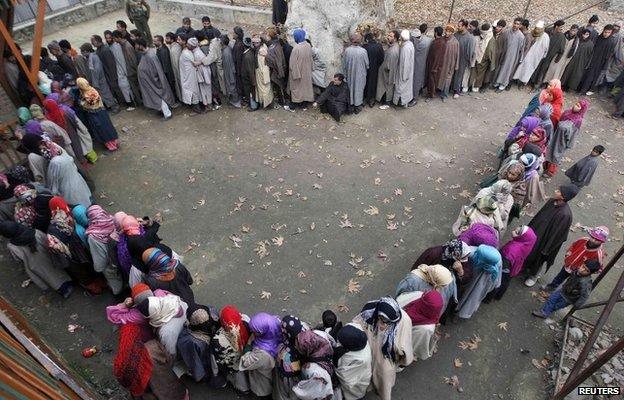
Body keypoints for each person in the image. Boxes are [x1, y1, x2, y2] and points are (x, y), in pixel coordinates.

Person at [352, 297, 412, 400]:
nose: (382, 324)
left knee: (383, 381)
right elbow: (356, 324)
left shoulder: (404, 321)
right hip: (368, 351)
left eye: (386, 322)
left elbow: (405, 348)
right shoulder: (370, 310)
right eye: (380, 318)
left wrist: (401, 362)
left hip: (385, 360)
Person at [523, 184, 579, 287]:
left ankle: (533, 275)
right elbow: (539, 216)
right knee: (529, 252)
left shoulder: (565, 215)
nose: (555, 191)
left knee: (539, 258)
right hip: (536, 232)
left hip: (545, 241)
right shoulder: (551, 201)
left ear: (563, 196)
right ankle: (524, 267)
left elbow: (557, 235)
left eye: (558, 191)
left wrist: (546, 249)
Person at [0, 221, 73, 298]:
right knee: (60, 270)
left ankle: (64, 290)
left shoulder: (12, 246)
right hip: (48, 257)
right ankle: (70, 281)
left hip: (35, 266)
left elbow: (18, 259)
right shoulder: (35, 232)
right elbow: (47, 241)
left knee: (51, 278)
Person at [21, 135, 91, 207]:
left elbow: (53, 184)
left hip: (68, 190)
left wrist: (51, 193)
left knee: (78, 207)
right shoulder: (53, 146)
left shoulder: (55, 163)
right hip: (76, 179)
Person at [543, 226, 608, 291]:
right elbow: (573, 245)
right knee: (559, 277)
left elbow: (599, 269)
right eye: (592, 237)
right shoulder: (582, 240)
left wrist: (585, 271)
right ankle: (551, 286)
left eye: (597, 240)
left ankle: (560, 294)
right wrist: (568, 253)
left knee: (569, 284)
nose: (593, 240)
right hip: (568, 265)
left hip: (578, 273)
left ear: (602, 241)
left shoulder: (599, 254)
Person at [532, 259, 601, 318]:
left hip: (568, 299)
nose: (582, 269)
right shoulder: (576, 271)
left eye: (586, 270)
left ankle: (548, 310)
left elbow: (585, 295)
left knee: (557, 306)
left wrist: (577, 305)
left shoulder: (585, 283)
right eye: (583, 266)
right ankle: (544, 313)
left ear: (590, 273)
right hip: (563, 290)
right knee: (552, 299)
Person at [133, 284, 189, 356]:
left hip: (182, 345)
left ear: (152, 315)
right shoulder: (172, 299)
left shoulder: (166, 331)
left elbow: (171, 352)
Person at [487, 226, 537, 300]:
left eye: (516, 233)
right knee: (505, 282)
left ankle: (488, 297)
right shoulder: (526, 245)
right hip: (514, 267)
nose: (513, 231)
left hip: (504, 267)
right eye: (514, 230)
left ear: (522, 237)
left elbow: (504, 262)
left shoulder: (511, 250)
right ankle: (498, 296)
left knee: (497, 282)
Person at [543, 99, 589, 177]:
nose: (575, 106)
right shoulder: (567, 112)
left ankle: (550, 172)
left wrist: (568, 144)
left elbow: (574, 134)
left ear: (582, 109)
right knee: (549, 149)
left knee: (556, 154)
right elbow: (559, 121)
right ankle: (545, 166)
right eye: (576, 104)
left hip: (562, 140)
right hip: (556, 134)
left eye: (578, 106)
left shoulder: (578, 120)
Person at [239, 312, 280, 398]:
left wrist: (249, 344)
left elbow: (245, 362)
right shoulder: (275, 325)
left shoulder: (261, 354)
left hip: (262, 381)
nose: (252, 332)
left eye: (255, 331)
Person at [212, 305, 251, 394]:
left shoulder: (218, 340)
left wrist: (215, 373)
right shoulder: (245, 322)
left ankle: (243, 389)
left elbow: (216, 358)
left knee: (240, 379)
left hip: (235, 365)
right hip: (248, 355)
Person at [456, 245, 502, 319]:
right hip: (482, 287)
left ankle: (456, 310)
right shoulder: (497, 263)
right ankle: (463, 313)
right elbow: (496, 281)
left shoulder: (474, 259)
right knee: (473, 299)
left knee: (463, 296)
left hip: (468, 283)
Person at [135, 38, 175, 120]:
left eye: (136, 45)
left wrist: (154, 80)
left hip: (153, 82)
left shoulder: (151, 56)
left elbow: (158, 70)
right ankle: (162, 110)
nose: (135, 46)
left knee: (159, 97)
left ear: (140, 45)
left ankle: (167, 114)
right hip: (149, 81)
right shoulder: (144, 54)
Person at [75, 78, 120, 151]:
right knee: (107, 127)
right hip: (101, 113)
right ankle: (114, 142)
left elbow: (89, 103)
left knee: (102, 130)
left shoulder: (88, 94)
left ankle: (112, 146)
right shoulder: (91, 89)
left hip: (96, 115)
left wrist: (81, 103)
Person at [396, 290, 442, 361]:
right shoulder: (427, 328)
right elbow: (415, 344)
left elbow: (400, 299)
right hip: (400, 343)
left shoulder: (421, 295)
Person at [334, 323, 372, 400]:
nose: (338, 342)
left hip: (357, 379)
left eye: (340, 342)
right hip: (359, 371)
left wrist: (335, 368)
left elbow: (345, 377)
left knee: (355, 394)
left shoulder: (361, 359)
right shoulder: (358, 336)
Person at [273, 314, 307, 400]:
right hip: (302, 373)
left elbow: (289, 368)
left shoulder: (284, 351)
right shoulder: (305, 340)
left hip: (290, 378)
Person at [79, 43, 118, 113]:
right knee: (102, 95)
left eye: (82, 52)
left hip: (99, 80)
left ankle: (114, 106)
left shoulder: (94, 57)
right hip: (96, 81)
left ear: (86, 51)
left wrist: (95, 82)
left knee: (106, 94)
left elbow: (97, 70)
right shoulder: (89, 58)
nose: (82, 54)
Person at [579, 25, 617, 95]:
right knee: (587, 74)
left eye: (608, 32)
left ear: (611, 33)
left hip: (600, 62)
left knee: (592, 76)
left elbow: (608, 56)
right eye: (605, 32)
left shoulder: (611, 42)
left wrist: (604, 65)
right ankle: (581, 88)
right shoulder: (599, 37)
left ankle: (585, 90)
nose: (606, 34)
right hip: (592, 59)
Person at [513, 20, 549, 86]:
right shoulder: (531, 33)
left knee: (528, 70)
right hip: (527, 54)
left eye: (539, 29)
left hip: (535, 57)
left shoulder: (545, 37)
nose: (537, 30)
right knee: (521, 67)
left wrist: (542, 56)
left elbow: (545, 48)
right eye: (536, 28)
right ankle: (517, 80)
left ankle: (522, 83)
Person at [494, 18, 525, 91]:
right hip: (503, 54)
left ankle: (503, 84)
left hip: (513, 57)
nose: (515, 25)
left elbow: (522, 49)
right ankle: (497, 82)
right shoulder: (506, 32)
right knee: (500, 68)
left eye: (518, 24)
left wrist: (520, 59)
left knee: (507, 70)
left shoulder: (521, 36)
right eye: (515, 23)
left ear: (520, 26)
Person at [113, 30, 143, 106]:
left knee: (136, 88)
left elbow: (133, 60)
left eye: (115, 38)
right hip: (129, 71)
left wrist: (134, 70)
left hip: (132, 71)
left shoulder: (127, 46)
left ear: (119, 37)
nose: (114, 41)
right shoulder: (122, 45)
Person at [532, 20, 566, 86]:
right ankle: (531, 80)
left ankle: (537, 85)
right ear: (556, 26)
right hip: (540, 53)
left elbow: (562, 50)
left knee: (543, 70)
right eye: (561, 27)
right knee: (536, 66)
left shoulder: (562, 37)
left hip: (549, 57)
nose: (562, 29)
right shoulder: (546, 31)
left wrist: (557, 59)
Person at [287, 29, 314, 110]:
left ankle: (292, 106)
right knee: (306, 89)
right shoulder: (308, 45)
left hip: (298, 73)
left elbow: (293, 64)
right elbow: (311, 58)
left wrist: (295, 75)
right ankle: (304, 105)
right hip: (307, 71)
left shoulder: (296, 49)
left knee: (296, 89)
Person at [343, 33, 369, 114]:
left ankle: (350, 106)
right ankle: (357, 106)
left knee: (350, 89)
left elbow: (344, 64)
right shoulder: (363, 51)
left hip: (350, 73)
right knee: (358, 89)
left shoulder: (347, 50)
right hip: (360, 74)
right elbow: (367, 64)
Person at [177, 35, 202, 114]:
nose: (177, 41)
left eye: (179, 40)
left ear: (184, 41)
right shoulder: (185, 51)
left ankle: (197, 109)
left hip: (190, 76)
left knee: (192, 91)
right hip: (186, 75)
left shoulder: (187, 53)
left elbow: (194, 63)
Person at [452, 19, 476, 96]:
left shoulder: (470, 38)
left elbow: (470, 51)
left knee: (459, 75)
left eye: (459, 26)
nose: (457, 27)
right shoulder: (456, 34)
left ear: (464, 27)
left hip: (462, 59)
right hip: (453, 57)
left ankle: (457, 91)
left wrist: (469, 61)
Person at [409, 25, 433, 105]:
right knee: (419, 80)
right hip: (422, 63)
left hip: (415, 64)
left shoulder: (412, 41)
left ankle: (414, 97)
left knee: (415, 81)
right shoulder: (428, 41)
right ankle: (418, 92)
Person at [470, 22, 496, 92]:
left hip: (484, 59)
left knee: (480, 74)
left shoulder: (491, 39)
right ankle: (472, 85)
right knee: (474, 72)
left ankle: (476, 86)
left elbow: (491, 50)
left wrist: (485, 58)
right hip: (477, 56)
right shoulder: (483, 35)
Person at [376, 30, 400, 106]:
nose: (388, 37)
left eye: (391, 36)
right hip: (385, 72)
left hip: (387, 73)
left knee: (387, 88)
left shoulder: (393, 51)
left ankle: (387, 102)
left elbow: (391, 66)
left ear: (395, 39)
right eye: (388, 35)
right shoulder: (394, 46)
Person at [265, 27, 287, 107]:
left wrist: (266, 56)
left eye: (267, 34)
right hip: (275, 71)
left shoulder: (276, 46)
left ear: (270, 36)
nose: (266, 35)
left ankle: (282, 102)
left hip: (277, 72)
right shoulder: (274, 43)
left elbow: (277, 61)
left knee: (279, 87)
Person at [153, 35, 178, 103]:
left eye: (155, 41)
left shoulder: (163, 51)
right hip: (166, 73)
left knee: (171, 88)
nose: (153, 42)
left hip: (167, 74)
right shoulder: (160, 49)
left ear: (159, 42)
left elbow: (165, 65)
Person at [362, 32, 384, 108]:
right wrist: (377, 65)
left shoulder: (364, 47)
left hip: (366, 69)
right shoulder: (379, 46)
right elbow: (382, 59)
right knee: (373, 84)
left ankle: (364, 98)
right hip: (375, 68)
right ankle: (372, 100)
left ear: (367, 39)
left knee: (366, 83)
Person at [252, 35, 274, 109]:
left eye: (254, 43)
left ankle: (266, 103)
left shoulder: (261, 51)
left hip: (261, 73)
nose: (254, 45)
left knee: (263, 89)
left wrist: (259, 73)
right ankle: (268, 103)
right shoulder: (264, 46)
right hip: (265, 72)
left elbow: (261, 64)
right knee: (267, 88)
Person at [394, 30, 415, 107]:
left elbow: (405, 63)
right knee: (405, 89)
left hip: (404, 72)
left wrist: (404, 76)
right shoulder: (410, 44)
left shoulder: (406, 48)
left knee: (401, 89)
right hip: (407, 71)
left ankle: (402, 103)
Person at [221, 35, 242, 108]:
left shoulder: (226, 53)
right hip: (231, 72)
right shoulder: (228, 48)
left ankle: (236, 102)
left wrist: (230, 77)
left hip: (230, 74)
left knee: (232, 87)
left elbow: (228, 67)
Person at [240, 37, 258, 111]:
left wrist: (253, 82)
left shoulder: (247, 57)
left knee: (251, 93)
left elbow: (250, 70)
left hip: (248, 80)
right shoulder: (250, 52)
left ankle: (253, 107)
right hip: (248, 79)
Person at [232, 26, 246, 100]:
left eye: (234, 33)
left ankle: (242, 98)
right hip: (238, 69)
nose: (232, 34)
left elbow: (238, 60)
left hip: (239, 70)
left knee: (240, 84)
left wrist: (238, 71)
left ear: (237, 35)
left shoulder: (239, 45)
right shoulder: (238, 43)